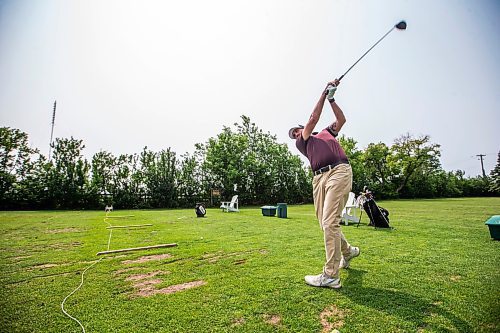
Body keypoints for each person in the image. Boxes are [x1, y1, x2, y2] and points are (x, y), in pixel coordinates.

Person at [288, 79, 359, 289]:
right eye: (293, 135)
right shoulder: (304, 142)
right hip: (319, 179)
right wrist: (323, 92)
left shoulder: (327, 132)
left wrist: (331, 98)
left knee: (329, 223)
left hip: (338, 170)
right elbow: (312, 118)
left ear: (301, 128)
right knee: (325, 224)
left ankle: (330, 275)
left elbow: (341, 119)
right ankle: (348, 251)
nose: (295, 134)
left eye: (296, 131)